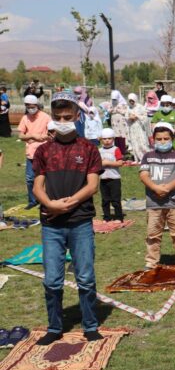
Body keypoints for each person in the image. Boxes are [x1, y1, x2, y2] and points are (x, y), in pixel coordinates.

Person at [32, 91, 103, 345]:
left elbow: (92, 185)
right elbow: (37, 186)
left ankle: (90, 325)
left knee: (85, 276)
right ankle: (54, 327)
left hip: (80, 222)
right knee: (52, 279)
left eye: (68, 116)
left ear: (77, 116)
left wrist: (68, 204)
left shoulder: (88, 149)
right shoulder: (43, 150)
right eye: (58, 117)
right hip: (51, 226)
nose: (63, 121)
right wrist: (50, 204)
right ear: (53, 117)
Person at [139, 122, 175, 271]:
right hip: (154, 203)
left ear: (171, 139)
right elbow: (143, 175)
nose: (162, 142)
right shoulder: (147, 156)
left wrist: (167, 188)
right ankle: (151, 262)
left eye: (166, 139)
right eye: (159, 139)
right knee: (153, 234)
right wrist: (155, 188)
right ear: (153, 139)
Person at [18, 95, 52, 209]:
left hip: (44, 153)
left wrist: (40, 137)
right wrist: (31, 135)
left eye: (32, 106)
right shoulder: (25, 118)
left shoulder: (46, 117)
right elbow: (20, 135)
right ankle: (33, 201)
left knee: (45, 177)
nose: (30, 108)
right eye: (27, 106)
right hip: (30, 153)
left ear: (36, 105)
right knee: (30, 178)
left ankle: (45, 199)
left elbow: (51, 134)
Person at [98, 128, 124, 222]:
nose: (107, 141)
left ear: (113, 139)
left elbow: (120, 163)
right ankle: (107, 217)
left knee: (115, 200)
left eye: (109, 138)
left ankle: (118, 217)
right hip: (103, 178)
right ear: (101, 139)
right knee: (105, 200)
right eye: (104, 139)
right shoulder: (99, 150)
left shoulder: (116, 149)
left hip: (114, 178)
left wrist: (107, 163)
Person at [126, 93, 151, 162]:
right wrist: (129, 118)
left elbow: (145, 117)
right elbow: (126, 117)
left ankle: (146, 157)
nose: (131, 102)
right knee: (134, 143)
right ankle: (137, 158)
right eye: (130, 101)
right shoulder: (128, 107)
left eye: (132, 100)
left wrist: (137, 116)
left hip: (139, 127)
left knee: (142, 142)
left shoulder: (140, 107)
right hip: (132, 128)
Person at [108, 90, 130, 156]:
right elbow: (108, 110)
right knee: (116, 135)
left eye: (115, 99)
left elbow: (125, 111)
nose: (114, 100)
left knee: (122, 134)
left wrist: (117, 110)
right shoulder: (111, 102)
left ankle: (123, 150)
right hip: (114, 121)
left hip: (121, 121)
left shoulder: (123, 103)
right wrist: (111, 110)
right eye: (113, 99)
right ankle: (116, 149)